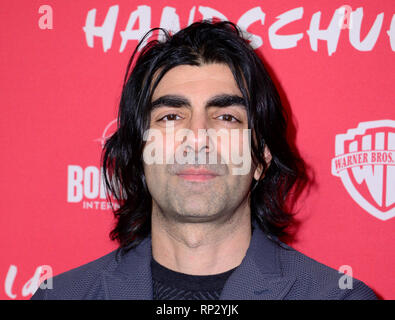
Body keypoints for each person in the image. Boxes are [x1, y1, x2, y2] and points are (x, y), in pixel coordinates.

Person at [31, 20, 377, 300]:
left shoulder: (336, 297)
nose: (198, 137)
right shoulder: (61, 296)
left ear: (261, 157)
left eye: (226, 117)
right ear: (139, 152)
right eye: (170, 117)